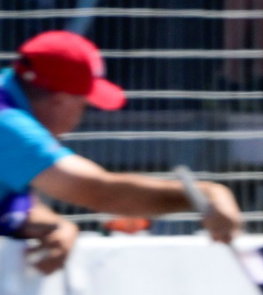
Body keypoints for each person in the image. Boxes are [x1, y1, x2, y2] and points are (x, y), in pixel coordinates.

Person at [0, 31, 242, 275]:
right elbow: (99, 192)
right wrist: (201, 196)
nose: (81, 118)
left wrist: (51, 223)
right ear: (60, 101)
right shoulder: (9, 126)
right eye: (84, 105)